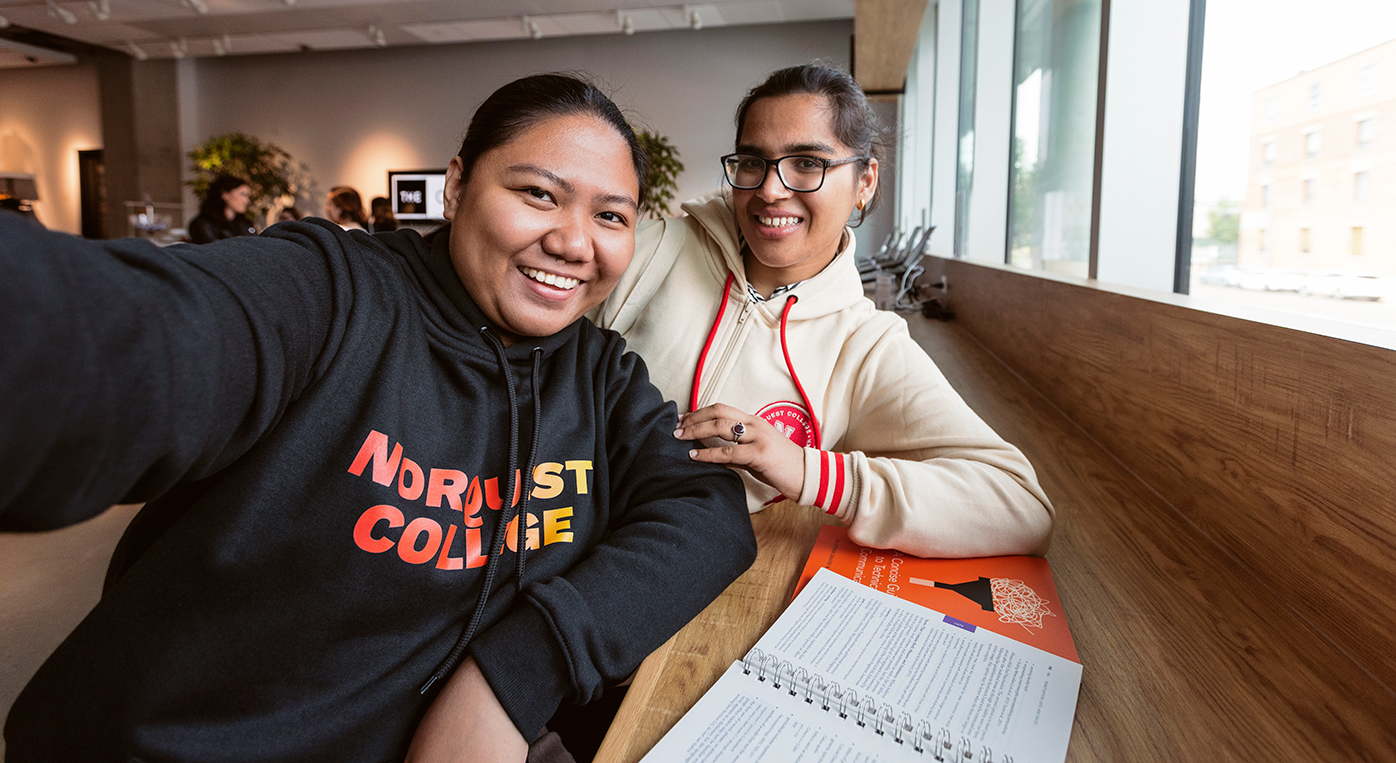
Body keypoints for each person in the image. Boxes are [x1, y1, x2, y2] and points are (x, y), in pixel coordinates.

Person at [0, 74, 757, 763]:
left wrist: (515, 675)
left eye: (611, 215)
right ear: (457, 185)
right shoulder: (330, 294)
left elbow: (706, 511)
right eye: (537, 193)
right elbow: (133, 338)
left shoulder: (596, 371)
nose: (572, 241)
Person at [595, 62, 1054, 558]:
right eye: (753, 161)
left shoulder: (865, 345)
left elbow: (1019, 504)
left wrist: (809, 471)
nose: (771, 189)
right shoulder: (652, 249)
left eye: (808, 163)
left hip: (675, 565)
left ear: (865, 181)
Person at [187, 174, 256, 243]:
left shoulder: (245, 224)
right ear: (225, 195)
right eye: (242, 194)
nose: (247, 201)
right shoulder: (203, 224)